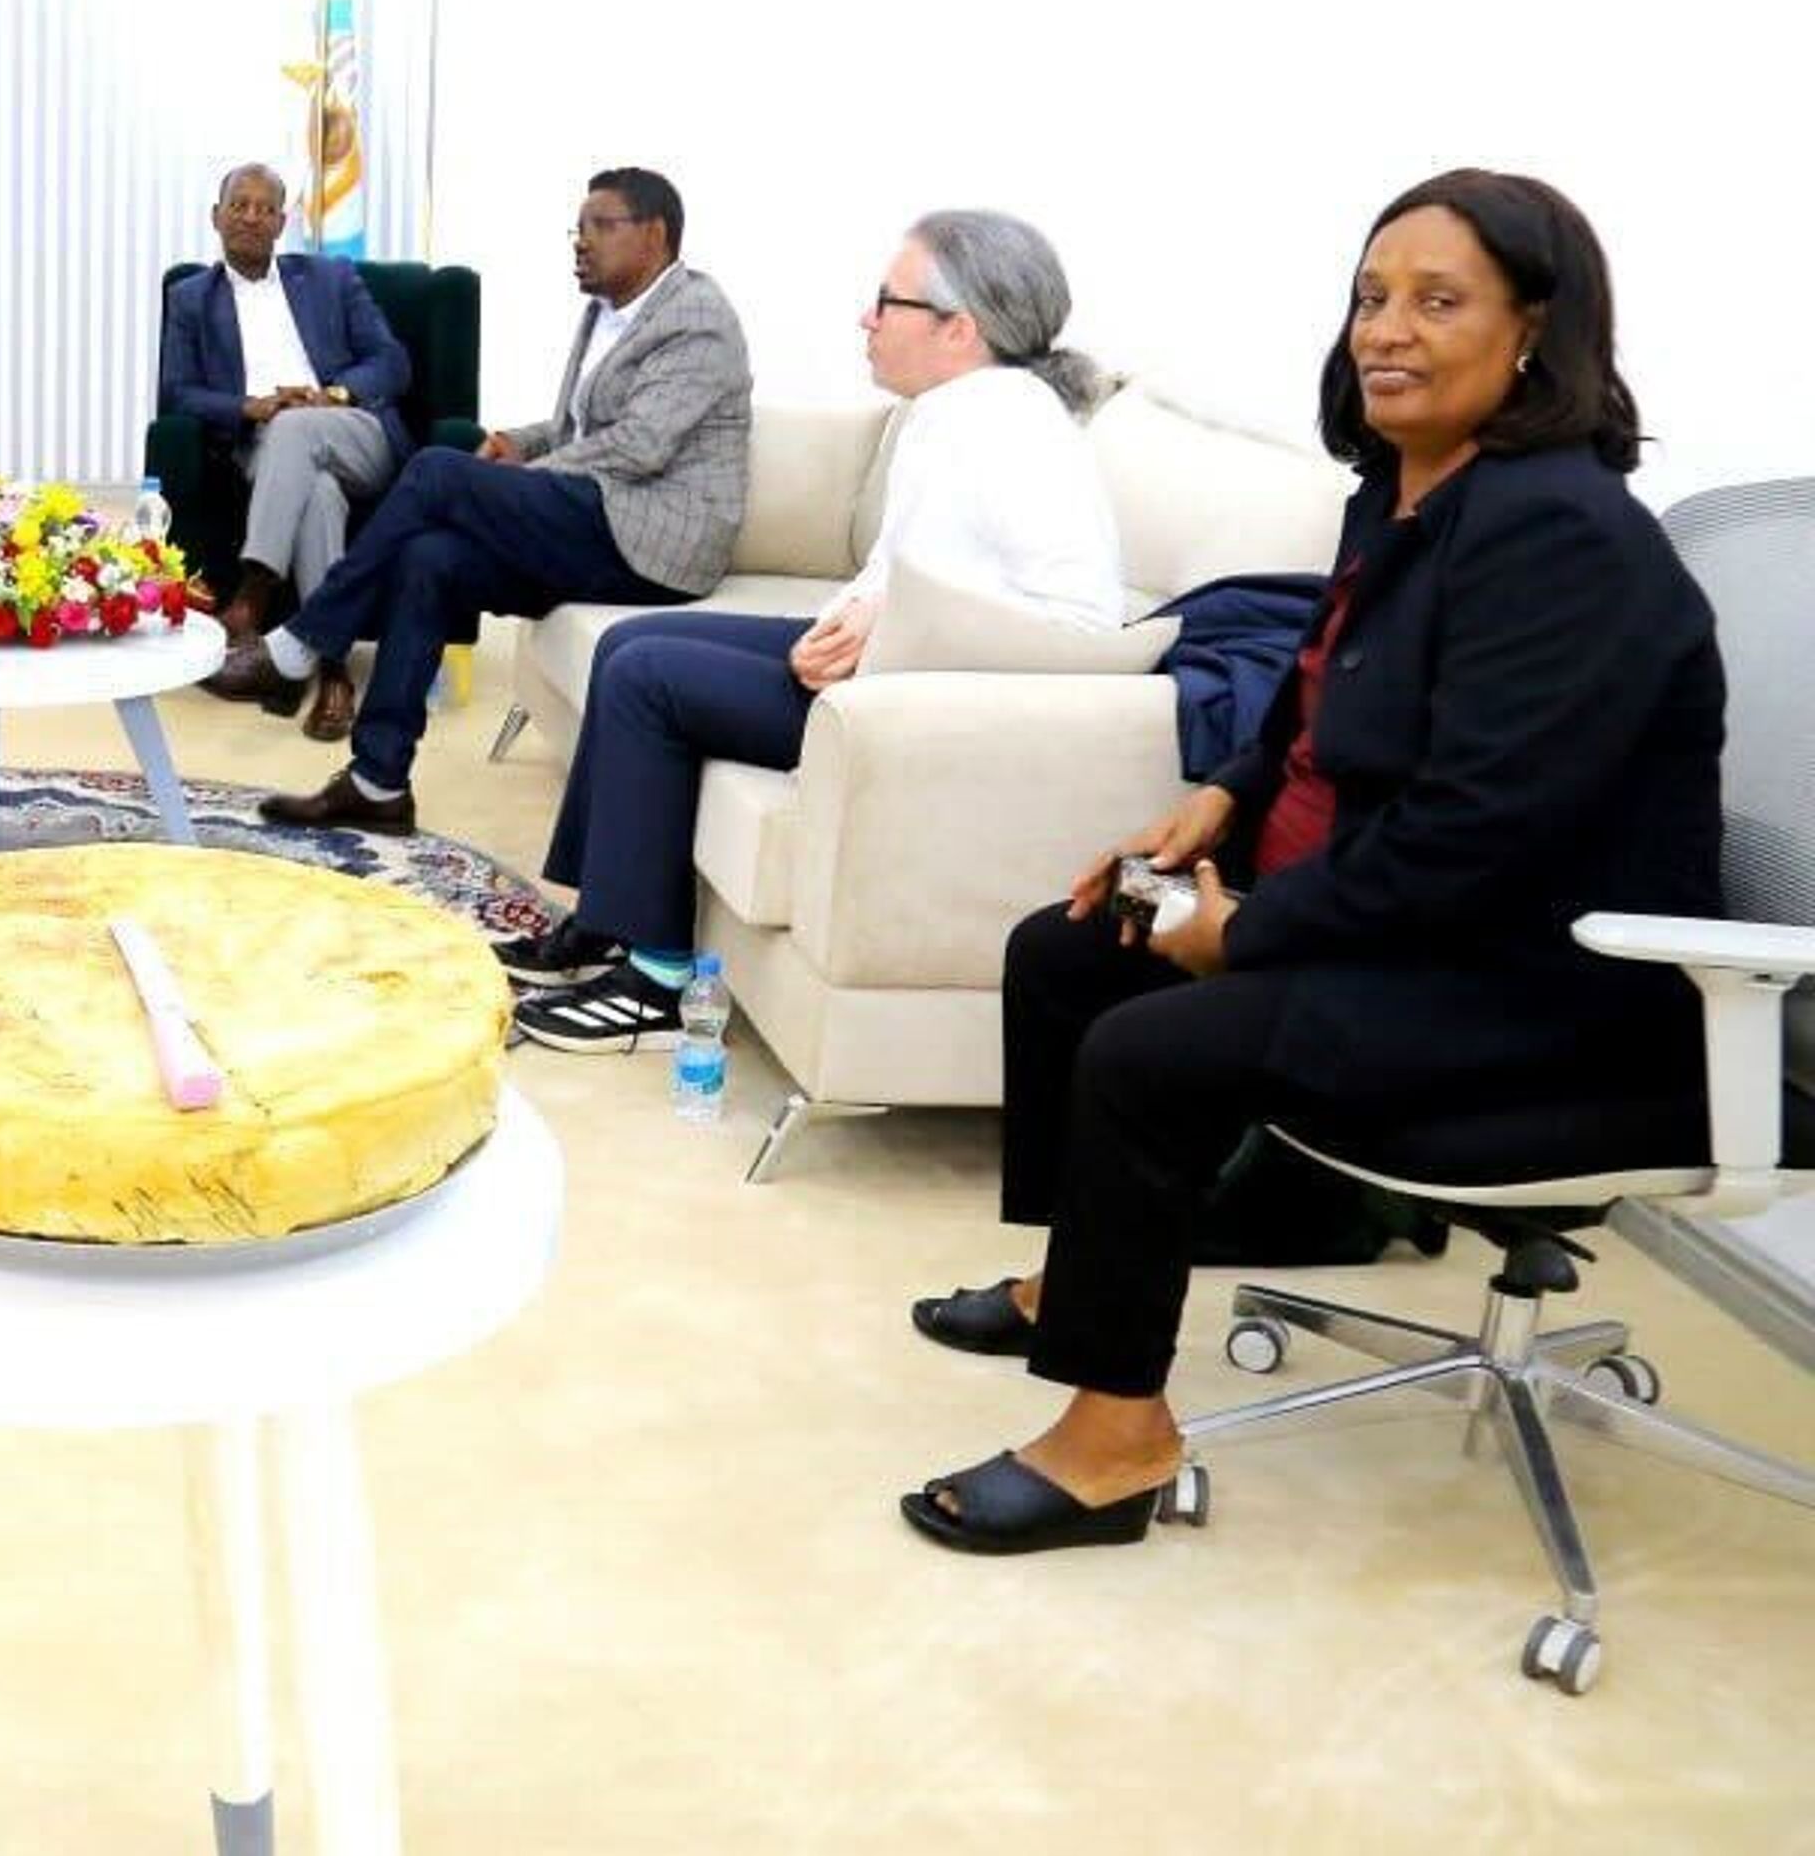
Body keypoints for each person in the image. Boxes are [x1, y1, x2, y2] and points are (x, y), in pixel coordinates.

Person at [901, 170, 1725, 1555]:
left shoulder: (1562, 539)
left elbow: (1474, 839)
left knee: (1151, 1053)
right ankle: (1076, 1282)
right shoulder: (1405, 498)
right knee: (1066, 949)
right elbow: (1316, 695)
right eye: (1371, 296)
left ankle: (1115, 1441)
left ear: (1537, 328)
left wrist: (1248, 938)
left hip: (1542, 994)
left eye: (1437, 301)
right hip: (1409, 928)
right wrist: (1221, 800)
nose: (1385, 330)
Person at [514, 210, 1127, 1050]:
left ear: (960, 328)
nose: (866, 318)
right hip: (882, 663)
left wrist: (886, 628)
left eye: (887, 301)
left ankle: (655, 984)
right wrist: (853, 623)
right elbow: (900, 576)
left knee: (650, 680)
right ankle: (608, 921)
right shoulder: (951, 411)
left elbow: (1083, 626)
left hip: (916, 705)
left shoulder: (1014, 428)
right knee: (628, 644)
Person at [209, 166, 752, 830]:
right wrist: (517, 444)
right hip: (601, 515)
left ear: (655, 235)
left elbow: (641, 445)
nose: (581, 242)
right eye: (577, 229)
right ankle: (378, 781)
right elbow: (581, 430)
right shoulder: (605, 312)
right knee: (430, 559)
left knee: (436, 472)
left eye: (600, 227)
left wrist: (529, 474)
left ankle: (303, 639)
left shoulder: (696, 316)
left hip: (655, 542)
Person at [156, 162, 417, 742]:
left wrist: (331, 394)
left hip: (353, 431)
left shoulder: (330, 278)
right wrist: (248, 407)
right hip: (263, 441)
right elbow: (177, 390)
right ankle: (330, 668)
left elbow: (391, 361)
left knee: (300, 429)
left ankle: (252, 593)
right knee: (316, 491)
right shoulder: (191, 298)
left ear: (281, 223)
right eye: (239, 205)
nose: (250, 216)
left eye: (264, 208)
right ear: (216, 216)